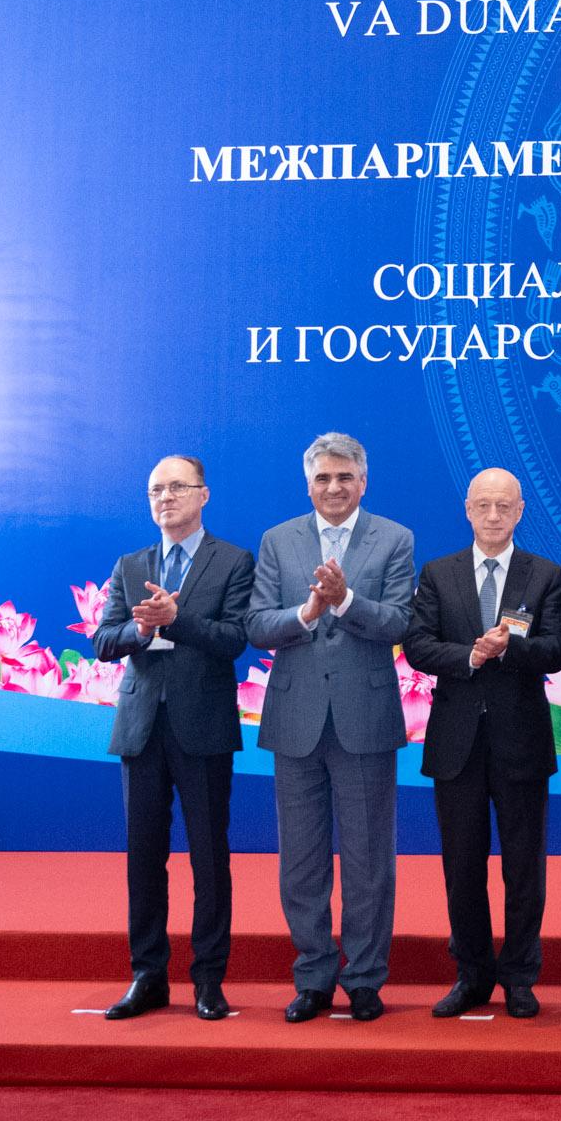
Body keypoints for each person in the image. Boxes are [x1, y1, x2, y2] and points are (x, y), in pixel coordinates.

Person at [247, 432, 417, 1023]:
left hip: (364, 720)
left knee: (369, 859)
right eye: (323, 478)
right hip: (295, 719)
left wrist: (345, 603)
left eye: (345, 477)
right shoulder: (278, 540)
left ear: (363, 482)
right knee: (301, 860)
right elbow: (257, 625)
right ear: (308, 485)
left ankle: (364, 978)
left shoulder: (394, 538)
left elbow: (400, 622)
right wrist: (307, 612)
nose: (334, 487)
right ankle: (313, 977)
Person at [401, 468, 561, 1021]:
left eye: (504, 506)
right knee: (462, 866)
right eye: (483, 506)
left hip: (521, 741)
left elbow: (557, 650)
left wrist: (508, 649)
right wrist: (471, 656)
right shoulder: (438, 573)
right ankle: (471, 975)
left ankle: (519, 976)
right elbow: (419, 645)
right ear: (468, 510)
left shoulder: (545, 575)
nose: (493, 516)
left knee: (524, 867)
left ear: (520, 511)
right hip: (457, 744)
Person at [93, 454, 254, 1022]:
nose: (165, 497)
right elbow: (103, 642)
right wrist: (140, 627)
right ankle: (148, 975)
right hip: (141, 728)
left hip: (203, 726)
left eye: (177, 487)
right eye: (156, 490)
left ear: (203, 495)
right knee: (144, 858)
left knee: (209, 858)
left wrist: (174, 619)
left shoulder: (233, 560)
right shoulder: (130, 563)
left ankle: (208, 979)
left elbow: (235, 638)